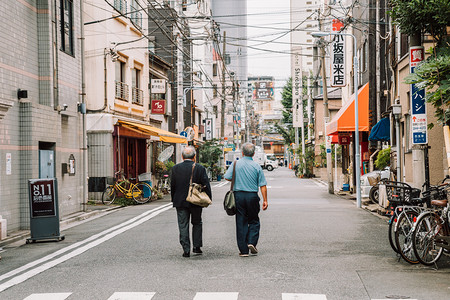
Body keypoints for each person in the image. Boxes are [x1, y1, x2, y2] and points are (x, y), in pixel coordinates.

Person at [224, 142, 268, 257]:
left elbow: (227, 177)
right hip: (252, 196)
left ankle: (243, 251)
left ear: (242, 153)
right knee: (254, 220)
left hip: (238, 196)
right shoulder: (257, 166)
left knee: (241, 221)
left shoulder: (235, 164)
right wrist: (265, 200)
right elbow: (262, 185)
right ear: (253, 154)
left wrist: (238, 179)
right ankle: (252, 242)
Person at [170, 146, 212, 258]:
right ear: (194, 156)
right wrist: (208, 198)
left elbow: (172, 185)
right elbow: (206, 184)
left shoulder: (175, 168)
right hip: (196, 200)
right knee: (197, 222)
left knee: (183, 225)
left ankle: (186, 249)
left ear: (182, 156)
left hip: (180, 201)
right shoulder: (199, 168)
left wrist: (174, 199)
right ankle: (197, 247)